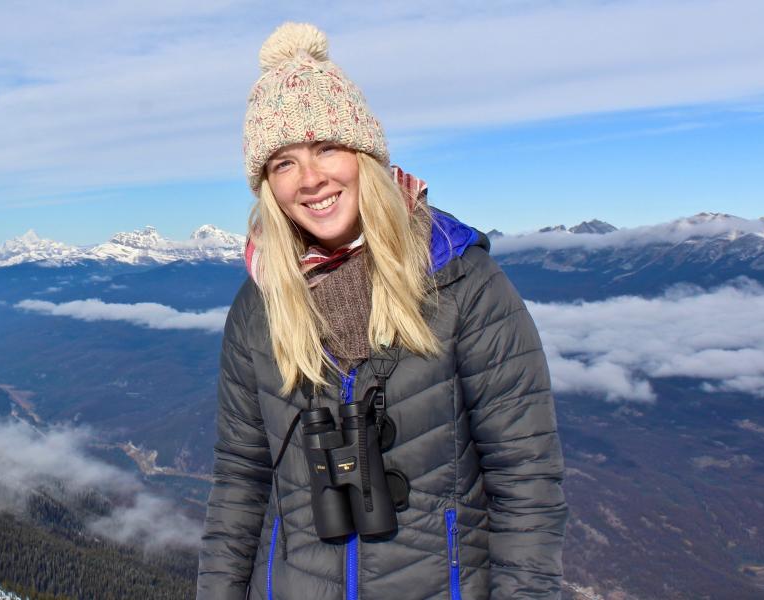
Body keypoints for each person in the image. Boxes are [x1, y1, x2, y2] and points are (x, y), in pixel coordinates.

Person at [197, 22, 567, 600]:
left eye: (325, 147)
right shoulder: (260, 305)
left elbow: (526, 478)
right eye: (283, 163)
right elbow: (240, 483)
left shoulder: (461, 281)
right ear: (268, 187)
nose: (310, 178)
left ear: (364, 154)